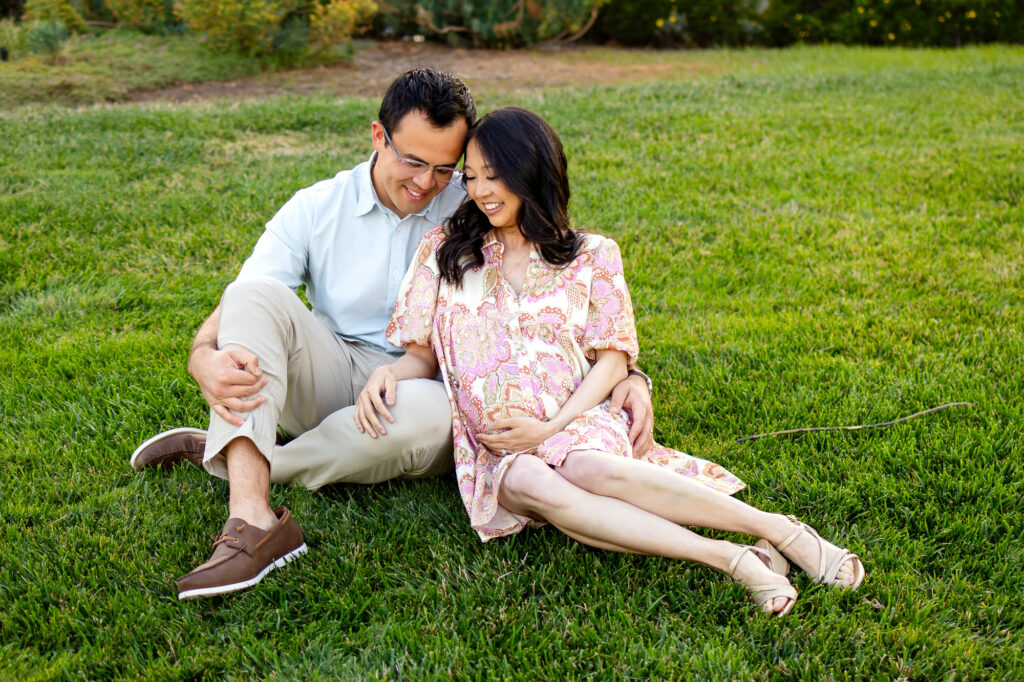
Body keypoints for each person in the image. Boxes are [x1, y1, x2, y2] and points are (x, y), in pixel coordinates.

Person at [130, 71, 657, 601]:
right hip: (332, 369)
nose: (428, 183)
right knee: (253, 293)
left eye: (445, 168)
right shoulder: (317, 206)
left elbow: (559, 279)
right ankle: (253, 519)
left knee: (431, 414)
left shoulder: (475, 198)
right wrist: (202, 356)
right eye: (413, 161)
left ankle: (236, 452)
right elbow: (239, 299)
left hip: (430, 387)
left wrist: (631, 373)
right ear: (378, 137)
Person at [355, 107, 866, 616]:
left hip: (576, 422)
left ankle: (773, 531)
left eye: (496, 175)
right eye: (472, 177)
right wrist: (387, 370)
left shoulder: (593, 255)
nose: (482, 190)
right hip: (495, 450)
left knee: (584, 466)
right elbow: (421, 356)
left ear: (533, 172)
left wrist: (552, 426)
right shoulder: (445, 251)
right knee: (529, 481)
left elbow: (612, 361)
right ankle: (731, 558)